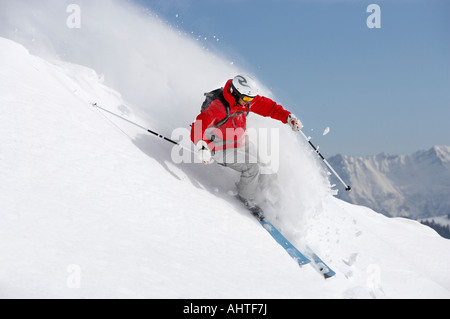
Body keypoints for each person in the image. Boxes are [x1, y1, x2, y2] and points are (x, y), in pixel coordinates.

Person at [190, 74, 303, 208]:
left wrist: (288, 117)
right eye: (246, 98)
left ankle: (265, 195)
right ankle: (245, 199)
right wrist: (201, 146)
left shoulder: (245, 101)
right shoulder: (218, 107)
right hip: (219, 147)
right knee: (252, 167)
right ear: (234, 93)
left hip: (239, 141)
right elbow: (198, 126)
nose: (249, 102)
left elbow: (269, 107)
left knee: (267, 164)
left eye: (251, 98)